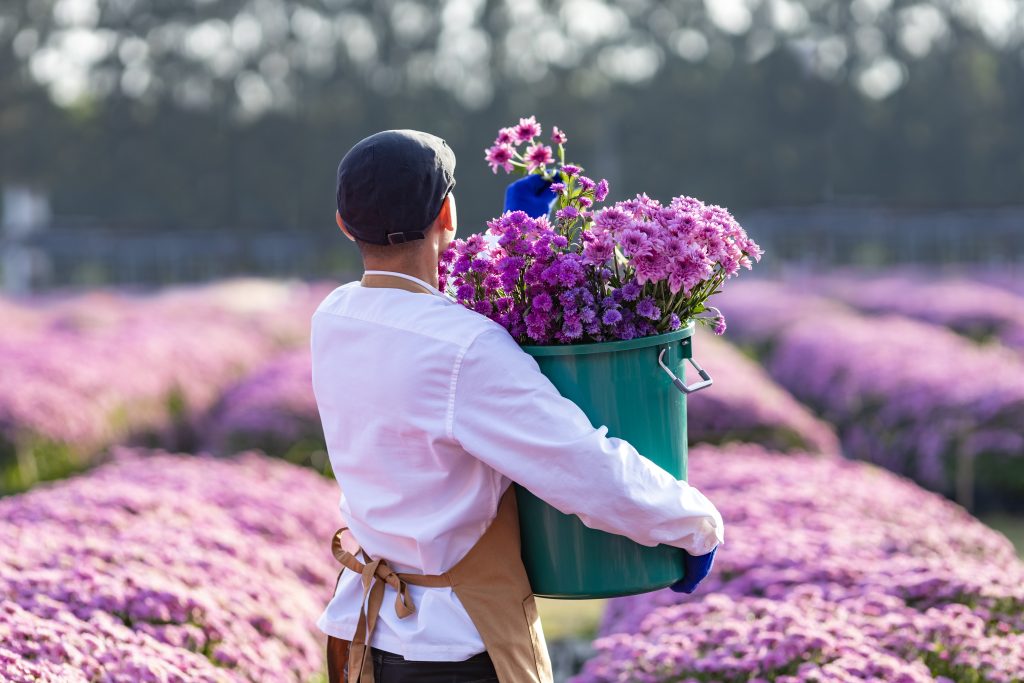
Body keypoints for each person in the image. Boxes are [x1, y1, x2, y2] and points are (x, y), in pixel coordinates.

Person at [311, 129, 724, 683]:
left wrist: (521, 237)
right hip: (462, 651)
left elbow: (417, 330)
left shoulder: (333, 317)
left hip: (367, 639)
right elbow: (578, 464)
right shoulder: (468, 349)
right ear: (447, 213)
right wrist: (693, 524)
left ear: (343, 223)